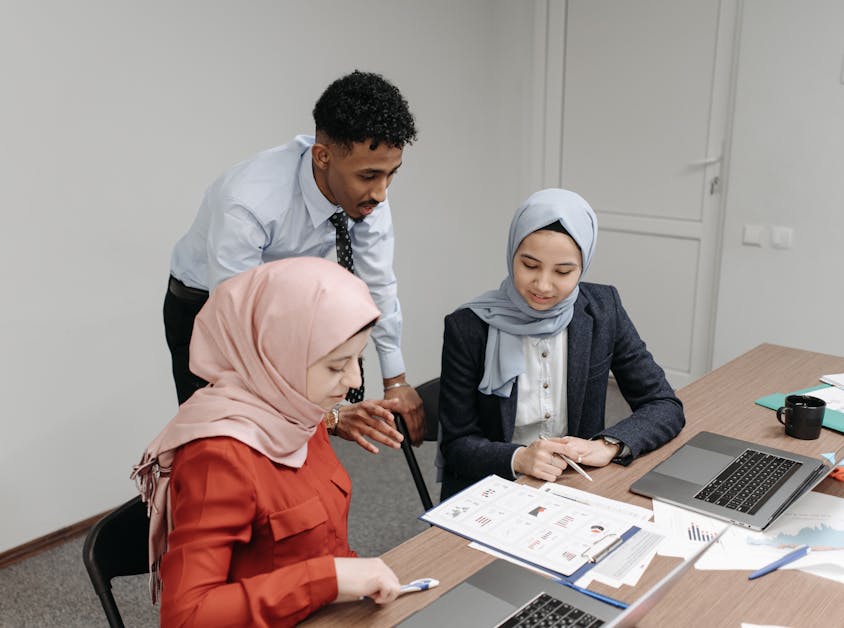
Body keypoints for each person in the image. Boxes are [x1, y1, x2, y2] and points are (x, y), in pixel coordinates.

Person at [133, 258, 404, 627]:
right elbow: (186, 618)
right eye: (336, 366)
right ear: (279, 355)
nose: (353, 381)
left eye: (358, 359)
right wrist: (329, 578)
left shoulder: (298, 414)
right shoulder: (218, 457)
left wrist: (343, 579)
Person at [164, 70, 426, 448]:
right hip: (208, 309)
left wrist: (395, 380)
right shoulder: (249, 201)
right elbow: (238, 327)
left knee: (294, 444)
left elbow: (378, 285)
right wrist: (328, 416)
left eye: (391, 175)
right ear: (322, 157)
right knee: (229, 438)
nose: (381, 193)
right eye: (370, 175)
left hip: (288, 304)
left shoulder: (368, 197)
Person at [438, 188, 684, 500]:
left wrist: (607, 445)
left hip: (573, 486)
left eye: (563, 272)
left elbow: (663, 404)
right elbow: (457, 443)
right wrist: (518, 458)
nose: (542, 285)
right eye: (529, 265)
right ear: (512, 252)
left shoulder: (603, 310)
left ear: (583, 267)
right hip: (495, 488)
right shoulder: (468, 327)